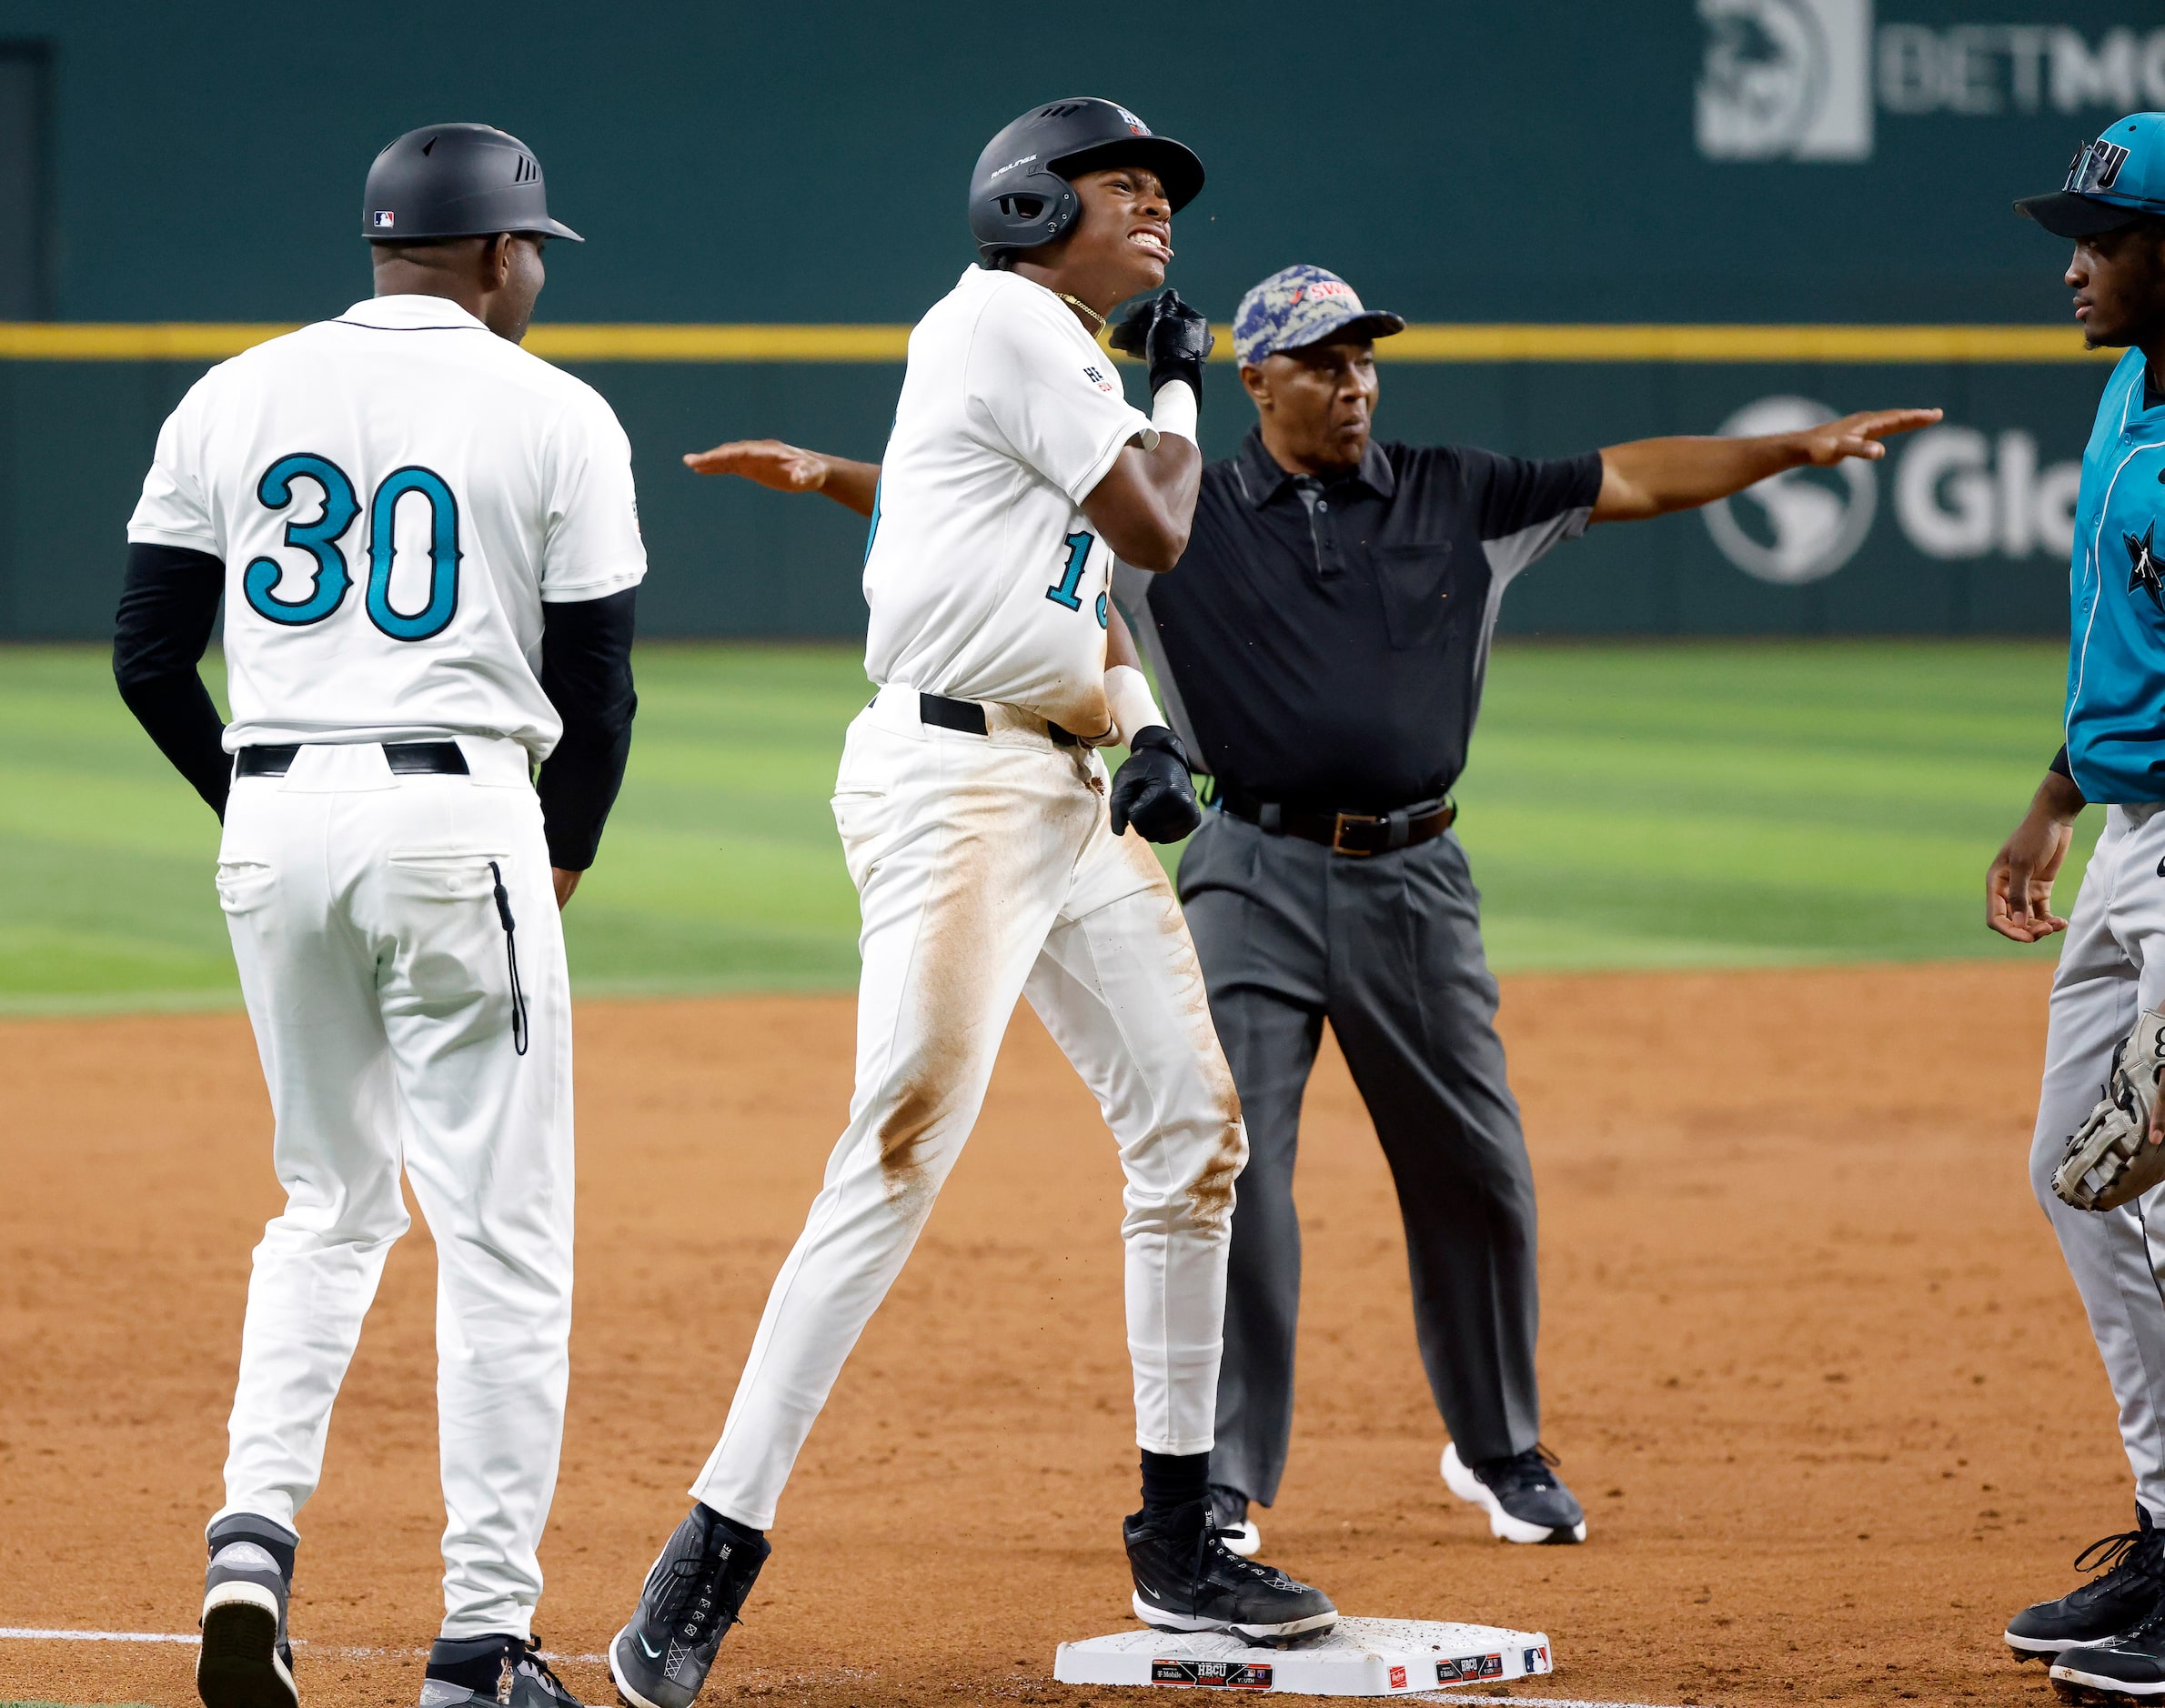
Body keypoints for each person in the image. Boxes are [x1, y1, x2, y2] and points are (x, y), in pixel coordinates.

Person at [687, 264, 1934, 1555]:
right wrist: (834, 474)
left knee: (1479, 1167)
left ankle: (1497, 1445)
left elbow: (1625, 475)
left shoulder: (1455, 492)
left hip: (1417, 880)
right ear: (1258, 380)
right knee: (1234, 1167)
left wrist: (1794, 446)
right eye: (1326, 360)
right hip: (1251, 869)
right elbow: (992, 525)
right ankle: (1219, 1475)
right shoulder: (1194, 507)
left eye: (1365, 359)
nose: (1354, 382)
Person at [605, 99, 1336, 1708]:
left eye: (1165, 192)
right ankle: (709, 1548)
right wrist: (1183, 378)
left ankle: (1177, 1531)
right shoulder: (1010, 320)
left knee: (1188, 1132)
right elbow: (1158, 525)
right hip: (953, 790)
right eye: (1122, 185)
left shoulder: (1044, 343)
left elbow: (1074, 593)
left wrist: (1141, 738)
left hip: (1060, 783)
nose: (1157, 209)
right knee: (896, 1150)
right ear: (1023, 204)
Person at [114, 124, 644, 1708]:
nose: (537, 272)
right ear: (495, 256)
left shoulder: (229, 392)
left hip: (277, 824)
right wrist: (564, 847)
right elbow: (597, 681)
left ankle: (249, 1546)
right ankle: (483, 1641)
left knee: (326, 1205)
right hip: (461, 814)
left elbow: (148, 657)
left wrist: (261, 813)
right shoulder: (556, 408)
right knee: (502, 1237)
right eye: (535, 248)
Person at [1985, 114, 2165, 1706]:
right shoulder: (2125, 391)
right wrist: (2055, 796)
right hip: (2123, 836)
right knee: (2079, 1171)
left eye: (2103, 240)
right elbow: (2127, 645)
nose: (2075, 263)